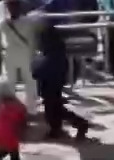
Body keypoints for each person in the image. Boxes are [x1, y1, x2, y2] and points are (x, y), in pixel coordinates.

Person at [31, 13, 91, 141]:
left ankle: (78, 124)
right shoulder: (52, 38)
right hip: (55, 75)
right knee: (54, 105)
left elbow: (46, 61)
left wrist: (36, 71)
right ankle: (58, 129)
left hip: (50, 76)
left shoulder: (46, 38)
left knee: (53, 107)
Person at [0, 0, 38, 95]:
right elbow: (33, 38)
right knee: (29, 80)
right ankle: (31, 103)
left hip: (9, 52)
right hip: (25, 52)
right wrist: (32, 52)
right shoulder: (28, 21)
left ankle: (11, 102)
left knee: (10, 81)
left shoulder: (2, 22)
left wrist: (1, 50)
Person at [0, 77, 28, 160]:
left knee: (0, 154)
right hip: (13, 135)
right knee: (13, 154)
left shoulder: (2, 106)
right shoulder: (17, 104)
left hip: (3, 135)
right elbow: (23, 117)